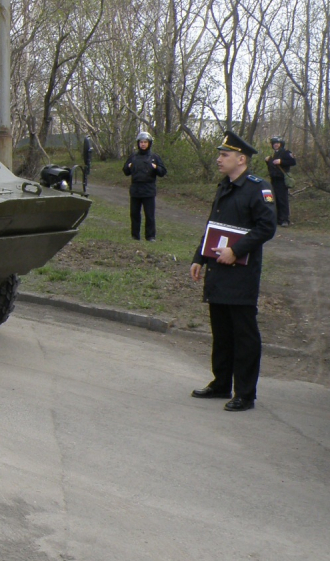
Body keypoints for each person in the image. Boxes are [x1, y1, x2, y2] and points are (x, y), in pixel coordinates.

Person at [189, 131, 277, 411]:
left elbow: (267, 227)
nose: (218, 159)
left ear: (241, 159)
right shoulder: (224, 186)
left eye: (224, 155)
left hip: (241, 275)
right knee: (222, 332)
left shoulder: (257, 188)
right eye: (219, 154)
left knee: (244, 335)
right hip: (217, 272)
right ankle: (221, 383)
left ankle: (245, 393)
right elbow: (212, 225)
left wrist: (236, 250)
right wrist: (199, 258)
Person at [122, 131, 168, 241]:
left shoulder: (154, 157)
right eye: (141, 142)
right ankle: (135, 235)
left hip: (148, 190)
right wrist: (128, 167)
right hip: (135, 189)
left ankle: (150, 236)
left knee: (149, 215)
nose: (143, 144)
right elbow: (125, 171)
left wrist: (156, 167)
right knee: (134, 214)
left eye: (145, 142)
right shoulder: (133, 156)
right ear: (138, 143)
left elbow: (163, 172)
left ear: (149, 143)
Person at [265, 136, 297, 227]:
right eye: (274, 143)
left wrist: (281, 161)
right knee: (275, 199)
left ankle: (285, 219)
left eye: (277, 143)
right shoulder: (274, 154)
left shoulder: (286, 152)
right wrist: (268, 161)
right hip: (274, 180)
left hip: (282, 180)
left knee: (283, 200)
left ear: (281, 144)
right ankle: (278, 218)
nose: (275, 145)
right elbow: (272, 167)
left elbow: (293, 162)